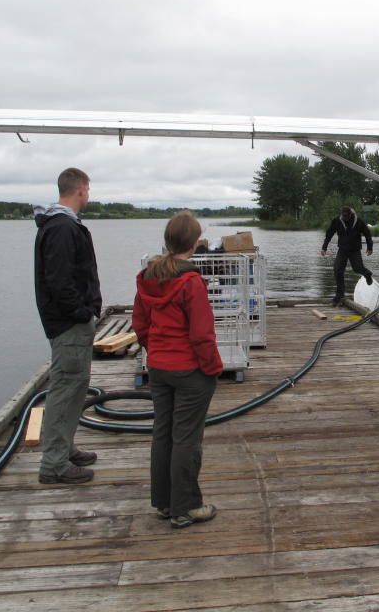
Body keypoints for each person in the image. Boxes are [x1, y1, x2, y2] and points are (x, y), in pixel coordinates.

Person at [133, 210, 224, 529]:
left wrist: (154, 350)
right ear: (196, 243)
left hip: (158, 366)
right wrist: (213, 368)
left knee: (163, 434)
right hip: (189, 372)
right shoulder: (191, 282)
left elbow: (140, 324)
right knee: (187, 438)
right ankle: (185, 507)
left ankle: (164, 503)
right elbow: (201, 335)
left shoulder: (147, 278)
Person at [34, 167, 102, 485]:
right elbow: (59, 281)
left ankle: (65, 448)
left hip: (70, 321)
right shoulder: (62, 228)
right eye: (88, 189)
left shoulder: (61, 224)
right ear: (80, 190)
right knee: (66, 387)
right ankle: (54, 465)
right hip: (69, 323)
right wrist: (82, 312)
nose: (89, 194)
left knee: (75, 387)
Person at [321, 205, 373, 305]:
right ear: (342, 214)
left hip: (355, 249)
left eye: (347, 217)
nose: (345, 219)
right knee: (337, 269)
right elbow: (329, 233)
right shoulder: (337, 220)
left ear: (351, 214)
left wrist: (370, 247)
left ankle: (367, 274)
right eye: (344, 217)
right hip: (342, 249)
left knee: (357, 268)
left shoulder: (358, 221)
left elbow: (367, 233)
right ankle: (339, 295)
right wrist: (324, 247)